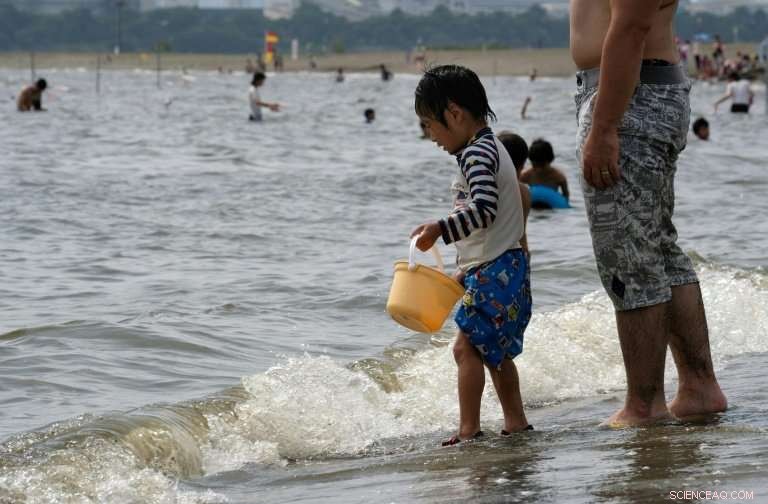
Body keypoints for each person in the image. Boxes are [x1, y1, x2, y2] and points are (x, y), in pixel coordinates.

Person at [572, 0, 727, 427]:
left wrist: (604, 126)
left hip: (629, 95)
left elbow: (632, 25)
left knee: (630, 257)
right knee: (657, 249)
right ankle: (698, 387)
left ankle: (644, 406)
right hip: (633, 92)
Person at [411, 65, 533, 445]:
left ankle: (468, 431)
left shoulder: (477, 154)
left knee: (466, 348)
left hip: (497, 268)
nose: (429, 136)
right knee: (494, 352)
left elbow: (483, 210)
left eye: (430, 125)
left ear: (455, 114)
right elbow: (490, 227)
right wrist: (466, 269)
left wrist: (441, 228)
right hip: (503, 265)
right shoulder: (489, 147)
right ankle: (516, 422)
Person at [497, 131, 532, 252]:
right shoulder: (525, 191)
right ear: (523, 164)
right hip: (521, 254)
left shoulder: (497, 190)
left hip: (497, 256)